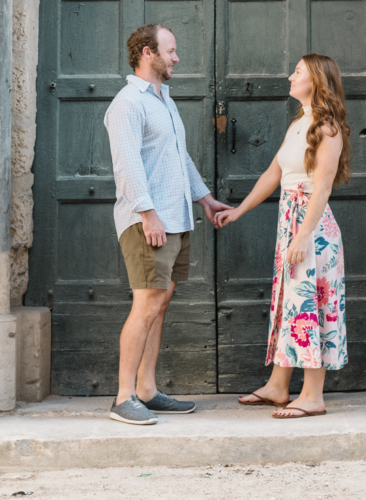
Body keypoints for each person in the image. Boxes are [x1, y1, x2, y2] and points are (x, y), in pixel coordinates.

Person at [104, 23, 228, 426]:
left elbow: (179, 157)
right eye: (170, 51)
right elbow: (127, 163)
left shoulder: (164, 100)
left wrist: (205, 198)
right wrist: (148, 213)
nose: (176, 58)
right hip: (149, 221)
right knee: (146, 305)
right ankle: (124, 397)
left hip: (176, 217)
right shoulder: (128, 103)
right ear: (147, 52)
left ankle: (147, 390)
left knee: (160, 304)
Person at [216, 53, 349, 418]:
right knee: (291, 304)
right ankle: (278, 386)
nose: (290, 76)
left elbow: (321, 189)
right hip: (290, 221)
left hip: (313, 228)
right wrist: (238, 211)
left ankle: (312, 395)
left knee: (311, 306)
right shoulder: (299, 125)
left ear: (316, 81)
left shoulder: (328, 128)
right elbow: (273, 174)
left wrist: (304, 235)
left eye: (298, 72)